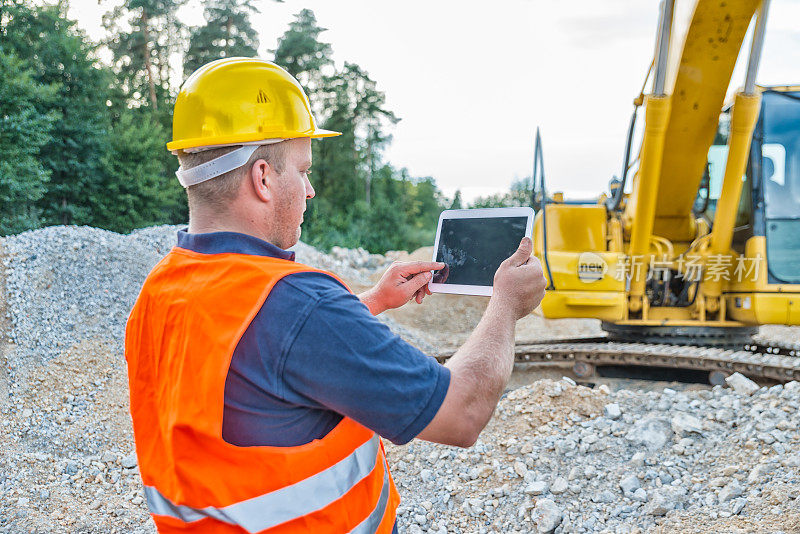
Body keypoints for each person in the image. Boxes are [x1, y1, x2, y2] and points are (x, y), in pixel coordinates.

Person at [125, 57, 546, 534]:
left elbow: (249, 362)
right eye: (302, 170)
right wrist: (507, 305)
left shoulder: (162, 290)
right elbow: (462, 413)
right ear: (262, 178)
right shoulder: (300, 308)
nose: (309, 190)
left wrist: (373, 301)